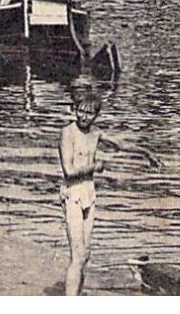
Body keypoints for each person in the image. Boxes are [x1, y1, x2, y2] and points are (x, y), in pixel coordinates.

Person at [57, 87, 160, 296]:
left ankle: (76, 295)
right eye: (80, 111)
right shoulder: (68, 133)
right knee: (77, 256)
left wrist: (146, 153)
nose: (84, 117)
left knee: (85, 254)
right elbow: (68, 171)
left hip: (89, 193)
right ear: (74, 109)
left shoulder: (96, 133)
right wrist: (94, 167)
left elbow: (120, 145)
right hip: (72, 194)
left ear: (96, 114)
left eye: (89, 113)